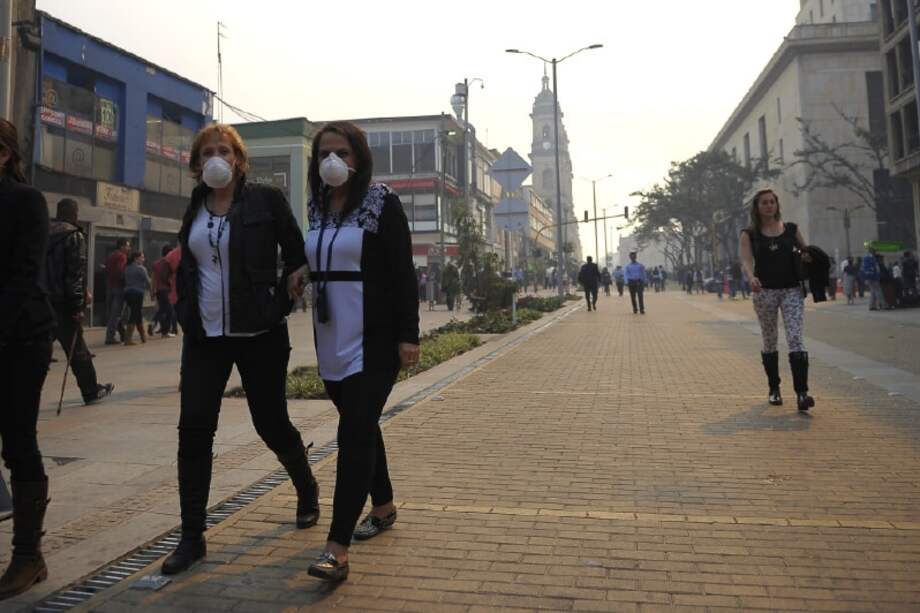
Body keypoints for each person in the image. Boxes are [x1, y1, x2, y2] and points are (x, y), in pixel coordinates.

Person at [161, 123, 318, 575]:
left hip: (260, 334)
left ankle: (305, 486)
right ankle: (192, 536)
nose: (217, 157)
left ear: (239, 160)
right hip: (204, 337)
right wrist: (184, 307)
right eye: (208, 151)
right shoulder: (196, 206)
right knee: (193, 430)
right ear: (196, 164)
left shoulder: (266, 201)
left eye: (224, 150)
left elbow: (296, 253)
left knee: (270, 423)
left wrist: (284, 298)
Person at [302, 121, 419, 582]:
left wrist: (408, 334)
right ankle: (384, 506)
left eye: (342, 152)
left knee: (353, 432)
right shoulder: (317, 206)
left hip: (374, 337)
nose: (333, 161)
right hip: (330, 335)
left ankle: (337, 547)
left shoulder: (382, 202)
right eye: (324, 153)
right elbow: (312, 257)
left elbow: (402, 271)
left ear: (359, 158)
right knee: (363, 423)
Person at [0, 119, 55, 599]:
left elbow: (22, 277)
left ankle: (27, 555)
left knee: (18, 440)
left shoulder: (25, 201)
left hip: (20, 338)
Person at [739, 188, 815, 412]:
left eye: (772, 202)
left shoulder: (791, 229)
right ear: (757, 207)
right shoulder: (749, 234)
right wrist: (752, 278)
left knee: (795, 338)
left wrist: (808, 256)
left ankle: (802, 393)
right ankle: (774, 389)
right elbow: (746, 260)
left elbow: (805, 251)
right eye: (764, 203)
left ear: (777, 205)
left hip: (791, 290)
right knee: (770, 339)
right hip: (765, 292)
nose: (769, 206)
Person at [46, 198, 114, 403]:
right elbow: (75, 274)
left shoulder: (43, 234)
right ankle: (91, 390)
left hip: (41, 301)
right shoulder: (74, 236)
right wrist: (77, 305)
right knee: (78, 350)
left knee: (34, 350)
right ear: (74, 214)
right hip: (64, 304)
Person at [103, 238, 130, 345]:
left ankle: (122, 333)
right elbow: (120, 271)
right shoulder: (122, 256)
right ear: (122, 246)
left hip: (110, 286)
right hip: (119, 287)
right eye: (128, 246)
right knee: (116, 314)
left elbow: (105, 268)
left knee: (114, 313)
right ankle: (110, 337)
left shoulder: (111, 255)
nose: (129, 248)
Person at [123, 252, 150, 345]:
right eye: (142, 257)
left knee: (137, 313)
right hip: (137, 293)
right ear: (136, 258)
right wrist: (152, 291)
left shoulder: (127, 268)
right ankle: (128, 338)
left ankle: (143, 336)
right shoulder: (141, 269)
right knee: (135, 313)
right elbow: (148, 281)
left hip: (127, 293)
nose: (143, 259)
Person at [150, 245, 178, 338]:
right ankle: (165, 332)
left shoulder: (156, 263)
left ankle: (154, 322)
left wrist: (152, 291)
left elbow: (153, 279)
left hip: (158, 290)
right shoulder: (168, 262)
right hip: (167, 289)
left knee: (162, 309)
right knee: (169, 310)